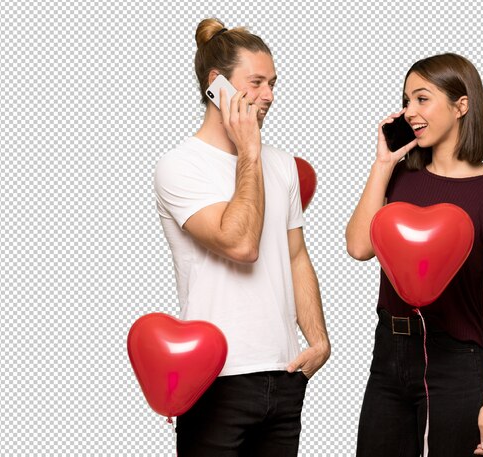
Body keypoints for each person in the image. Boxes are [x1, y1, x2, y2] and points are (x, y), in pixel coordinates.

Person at [154, 18, 330, 456]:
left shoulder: (283, 163)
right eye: (256, 82)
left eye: (273, 83)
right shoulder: (180, 165)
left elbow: (295, 256)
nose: (269, 95)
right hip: (216, 378)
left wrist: (319, 340)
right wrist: (249, 152)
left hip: (285, 374)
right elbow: (240, 244)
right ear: (217, 86)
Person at [346, 53, 483, 456]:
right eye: (406, 100)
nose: (409, 111)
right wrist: (382, 163)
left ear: (462, 105)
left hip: (458, 361)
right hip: (390, 352)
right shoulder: (401, 176)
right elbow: (359, 247)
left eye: (422, 99)